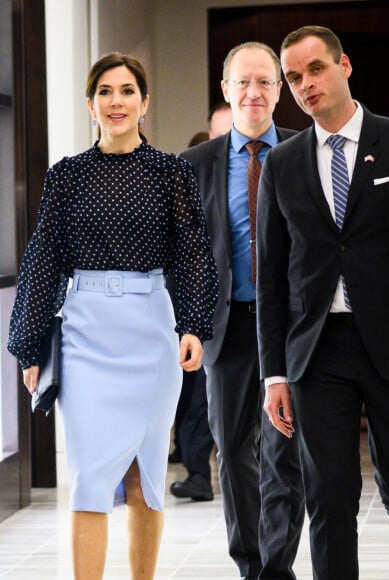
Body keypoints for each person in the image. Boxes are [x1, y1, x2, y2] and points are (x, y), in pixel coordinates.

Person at [7, 52, 218, 580]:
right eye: (105, 91)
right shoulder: (67, 176)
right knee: (89, 477)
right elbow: (44, 258)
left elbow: (193, 250)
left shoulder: (172, 172)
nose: (116, 101)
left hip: (152, 332)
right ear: (90, 104)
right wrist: (30, 345)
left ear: (144, 103)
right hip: (85, 334)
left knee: (144, 476)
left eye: (127, 91)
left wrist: (193, 324)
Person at [257, 26, 389, 580]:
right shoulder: (282, 164)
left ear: (345, 66)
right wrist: (274, 374)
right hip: (316, 353)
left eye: (314, 69)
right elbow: (272, 278)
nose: (305, 85)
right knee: (328, 497)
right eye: (294, 78)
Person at [180, 42, 305, 580]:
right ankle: (251, 566)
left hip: (294, 330)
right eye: (243, 83)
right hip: (226, 329)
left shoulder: (306, 153)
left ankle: (277, 567)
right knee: (232, 453)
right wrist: (187, 322)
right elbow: (179, 255)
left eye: (265, 82)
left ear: (280, 91)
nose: (254, 92)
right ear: (226, 90)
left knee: (286, 454)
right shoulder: (192, 165)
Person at [169, 104, 233, 500]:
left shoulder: (274, 169)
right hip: (196, 301)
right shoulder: (190, 175)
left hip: (247, 305)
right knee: (193, 389)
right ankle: (197, 471)